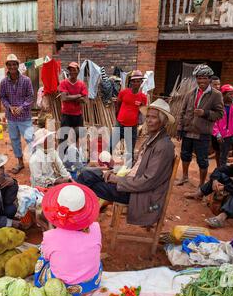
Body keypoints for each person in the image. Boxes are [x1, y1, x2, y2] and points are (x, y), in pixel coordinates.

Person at [77, 99, 175, 227]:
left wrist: (117, 179)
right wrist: (116, 172)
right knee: (86, 175)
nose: (149, 121)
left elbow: (147, 181)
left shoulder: (163, 146)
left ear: (163, 122)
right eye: (148, 117)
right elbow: (137, 167)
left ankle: (78, 219)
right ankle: (80, 216)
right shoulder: (153, 139)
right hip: (131, 184)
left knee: (86, 181)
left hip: (138, 194)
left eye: (154, 118)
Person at [34, 183, 102, 296]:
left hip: (65, 288)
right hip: (92, 282)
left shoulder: (50, 237)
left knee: (42, 259)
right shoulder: (96, 227)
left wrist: (49, 228)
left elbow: (46, 256)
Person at [175, 64, 224, 187]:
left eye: (204, 78)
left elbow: (220, 114)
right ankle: (185, 177)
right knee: (185, 155)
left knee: (202, 160)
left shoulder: (216, 95)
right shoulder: (190, 93)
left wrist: (205, 113)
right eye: (199, 78)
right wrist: (180, 128)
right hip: (187, 130)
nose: (201, 81)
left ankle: (202, 184)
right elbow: (183, 111)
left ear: (209, 79)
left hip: (203, 133)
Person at [184, 151, 233, 228]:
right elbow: (219, 169)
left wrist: (225, 187)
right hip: (232, 194)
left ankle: (221, 218)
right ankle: (199, 193)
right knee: (219, 176)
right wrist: (215, 181)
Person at [0, 54, 35, 174]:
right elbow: (3, 97)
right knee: (14, 140)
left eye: (14, 64)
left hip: (25, 117)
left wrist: (21, 107)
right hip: (11, 117)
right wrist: (9, 107)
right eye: (10, 64)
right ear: (7, 66)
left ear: (18, 65)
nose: (12, 66)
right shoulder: (3, 82)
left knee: (30, 139)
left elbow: (30, 97)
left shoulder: (26, 80)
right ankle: (20, 163)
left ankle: (35, 162)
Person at [110, 70, 147, 166]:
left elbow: (142, 111)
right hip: (120, 124)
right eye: (134, 81)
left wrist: (142, 107)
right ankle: (106, 163)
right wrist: (118, 117)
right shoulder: (124, 93)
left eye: (138, 81)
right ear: (131, 82)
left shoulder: (143, 97)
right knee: (111, 145)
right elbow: (117, 104)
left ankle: (128, 168)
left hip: (132, 127)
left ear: (141, 82)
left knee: (130, 149)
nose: (136, 83)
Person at [58, 62, 88, 149]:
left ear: (78, 71)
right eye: (70, 70)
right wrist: (78, 95)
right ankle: (62, 157)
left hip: (78, 115)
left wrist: (69, 97)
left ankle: (76, 155)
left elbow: (85, 100)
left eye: (74, 70)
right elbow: (63, 98)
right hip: (66, 114)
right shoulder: (64, 83)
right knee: (63, 137)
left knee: (78, 137)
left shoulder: (81, 84)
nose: (72, 72)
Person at [210, 76, 222, 167]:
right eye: (215, 84)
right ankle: (219, 168)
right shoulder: (207, 97)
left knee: (222, 151)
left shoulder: (221, 96)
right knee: (217, 150)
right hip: (212, 128)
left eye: (219, 84)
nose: (218, 86)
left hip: (224, 130)